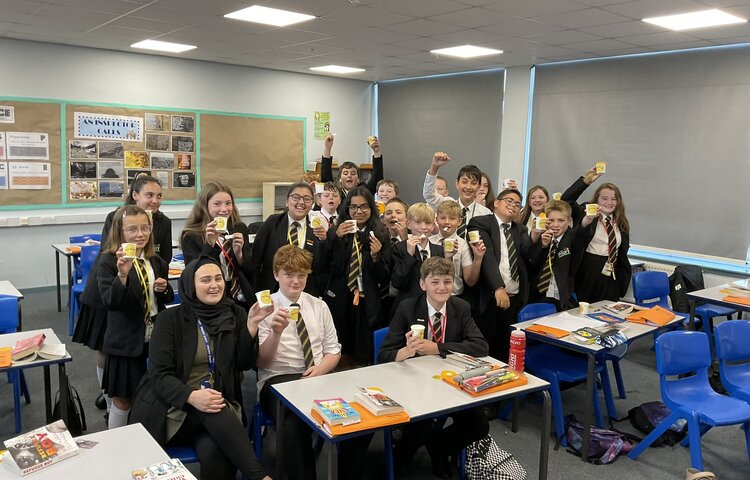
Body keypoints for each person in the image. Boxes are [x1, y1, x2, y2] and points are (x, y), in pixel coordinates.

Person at [129, 257, 270, 480]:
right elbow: (159, 376)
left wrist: (252, 326)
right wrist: (192, 396)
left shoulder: (234, 314)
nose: (214, 285)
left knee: (217, 452)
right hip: (172, 409)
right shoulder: (169, 320)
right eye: (205, 280)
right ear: (190, 285)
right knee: (217, 408)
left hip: (214, 412)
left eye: (218, 278)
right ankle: (259, 476)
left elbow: (243, 364)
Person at [378, 257, 489, 478]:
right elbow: (384, 355)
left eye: (447, 282)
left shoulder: (461, 307)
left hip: (451, 381)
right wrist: (406, 352)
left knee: (478, 424)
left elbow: (480, 346)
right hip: (414, 381)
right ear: (423, 285)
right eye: (435, 282)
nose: (441, 288)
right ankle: (400, 457)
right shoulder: (408, 307)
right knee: (421, 426)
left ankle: (439, 448)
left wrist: (437, 347)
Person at [256, 245, 341, 480]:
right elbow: (262, 362)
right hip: (277, 380)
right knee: (294, 422)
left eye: (301, 275)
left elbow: (333, 352)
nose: (296, 281)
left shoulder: (319, 306)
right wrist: (275, 332)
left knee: (355, 413)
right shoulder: (265, 309)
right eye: (289, 275)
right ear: (276, 275)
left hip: (316, 375)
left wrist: (321, 369)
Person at [97, 205, 173, 430]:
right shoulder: (109, 261)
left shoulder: (155, 261)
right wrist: (122, 274)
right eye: (132, 230)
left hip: (154, 338)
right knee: (123, 400)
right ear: (120, 232)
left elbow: (163, 299)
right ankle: (116, 447)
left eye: (145, 228)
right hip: (125, 342)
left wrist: (164, 289)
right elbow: (110, 302)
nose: (140, 234)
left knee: (152, 396)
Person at [326, 187, 390, 366]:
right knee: (340, 345)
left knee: (363, 351)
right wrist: (336, 238)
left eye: (364, 207)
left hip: (367, 298)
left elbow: (384, 277)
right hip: (342, 296)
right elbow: (332, 267)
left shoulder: (381, 234)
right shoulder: (337, 231)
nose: (358, 212)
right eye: (353, 207)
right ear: (347, 209)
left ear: (371, 209)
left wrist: (376, 256)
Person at [468, 188, 530, 362]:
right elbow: (486, 256)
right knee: (486, 350)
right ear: (496, 203)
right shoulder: (480, 223)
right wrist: (498, 287)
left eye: (517, 204)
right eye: (509, 201)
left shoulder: (521, 230)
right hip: (489, 298)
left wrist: (536, 239)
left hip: (515, 298)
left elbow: (529, 256)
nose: (513, 206)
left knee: (507, 348)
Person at [181, 182, 254, 307]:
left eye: (228, 203)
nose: (224, 209)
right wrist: (210, 244)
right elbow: (195, 274)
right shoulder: (191, 236)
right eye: (217, 204)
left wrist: (240, 255)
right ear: (205, 206)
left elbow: (251, 270)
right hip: (213, 297)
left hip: (241, 296)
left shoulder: (239, 228)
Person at [250, 182, 328, 297]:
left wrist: (323, 241)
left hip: (304, 293)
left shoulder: (316, 228)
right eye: (296, 197)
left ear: (312, 204)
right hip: (272, 291)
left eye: (307, 199)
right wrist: (256, 292)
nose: (301, 202)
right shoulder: (273, 223)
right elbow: (255, 260)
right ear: (287, 201)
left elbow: (321, 267)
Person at [573, 183, 631, 302]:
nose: (609, 202)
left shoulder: (621, 222)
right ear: (596, 200)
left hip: (611, 272)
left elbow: (622, 250)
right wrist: (585, 182)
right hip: (588, 271)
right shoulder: (588, 216)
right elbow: (567, 200)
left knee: (609, 311)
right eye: (604, 198)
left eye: (613, 199)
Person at [102, 173, 172, 265]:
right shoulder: (116, 217)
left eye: (159, 196)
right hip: (118, 271)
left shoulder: (164, 222)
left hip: (151, 273)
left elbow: (165, 258)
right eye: (149, 195)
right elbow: (107, 252)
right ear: (135, 195)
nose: (155, 201)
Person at [423, 152, 491, 242]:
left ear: (478, 187)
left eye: (473, 183)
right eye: (464, 181)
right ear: (457, 183)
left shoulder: (485, 214)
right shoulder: (446, 204)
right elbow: (429, 195)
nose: (468, 187)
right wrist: (434, 167)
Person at [389, 203, 444, 312]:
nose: (423, 227)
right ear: (408, 224)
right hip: (407, 307)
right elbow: (397, 282)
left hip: (433, 306)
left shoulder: (439, 250)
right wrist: (409, 254)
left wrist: (449, 258)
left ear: (433, 226)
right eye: (418, 222)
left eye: (428, 223)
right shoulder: (399, 248)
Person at [528, 200, 578, 310]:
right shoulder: (542, 236)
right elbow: (532, 264)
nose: (555, 225)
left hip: (561, 297)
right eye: (551, 220)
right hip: (540, 294)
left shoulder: (573, 238)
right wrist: (543, 246)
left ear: (569, 221)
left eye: (560, 220)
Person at [430, 200, 484, 297]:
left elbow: (470, 281)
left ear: (459, 221)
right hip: (430, 295)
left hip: (455, 296)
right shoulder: (429, 242)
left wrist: (478, 258)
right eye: (443, 218)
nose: (447, 222)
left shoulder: (463, 245)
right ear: (436, 219)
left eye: (452, 219)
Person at [320, 133, 384, 202]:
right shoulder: (335, 193)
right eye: (345, 173)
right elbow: (326, 176)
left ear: (358, 179)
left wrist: (376, 151)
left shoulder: (364, 192)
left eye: (353, 173)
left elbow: (377, 178)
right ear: (340, 179)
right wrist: (327, 148)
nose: (349, 176)